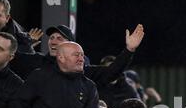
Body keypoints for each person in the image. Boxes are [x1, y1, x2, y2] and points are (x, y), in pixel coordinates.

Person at [10, 24, 145, 85]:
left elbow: (111, 72)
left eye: (59, 38)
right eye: (52, 37)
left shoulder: (81, 71)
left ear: (71, 45)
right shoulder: (36, 62)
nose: (53, 41)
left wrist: (129, 50)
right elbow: (6, 57)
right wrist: (24, 43)